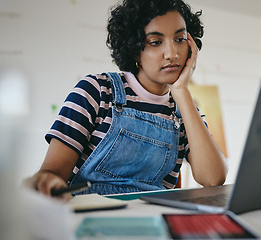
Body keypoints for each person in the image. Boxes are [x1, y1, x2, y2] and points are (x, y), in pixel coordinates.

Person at [24, 0, 227, 198]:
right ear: (135, 49)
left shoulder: (186, 112)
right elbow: (52, 173)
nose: (172, 54)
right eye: (156, 42)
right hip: (89, 219)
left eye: (180, 39)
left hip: (152, 221)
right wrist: (47, 181)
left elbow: (213, 178)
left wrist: (181, 91)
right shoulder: (96, 90)